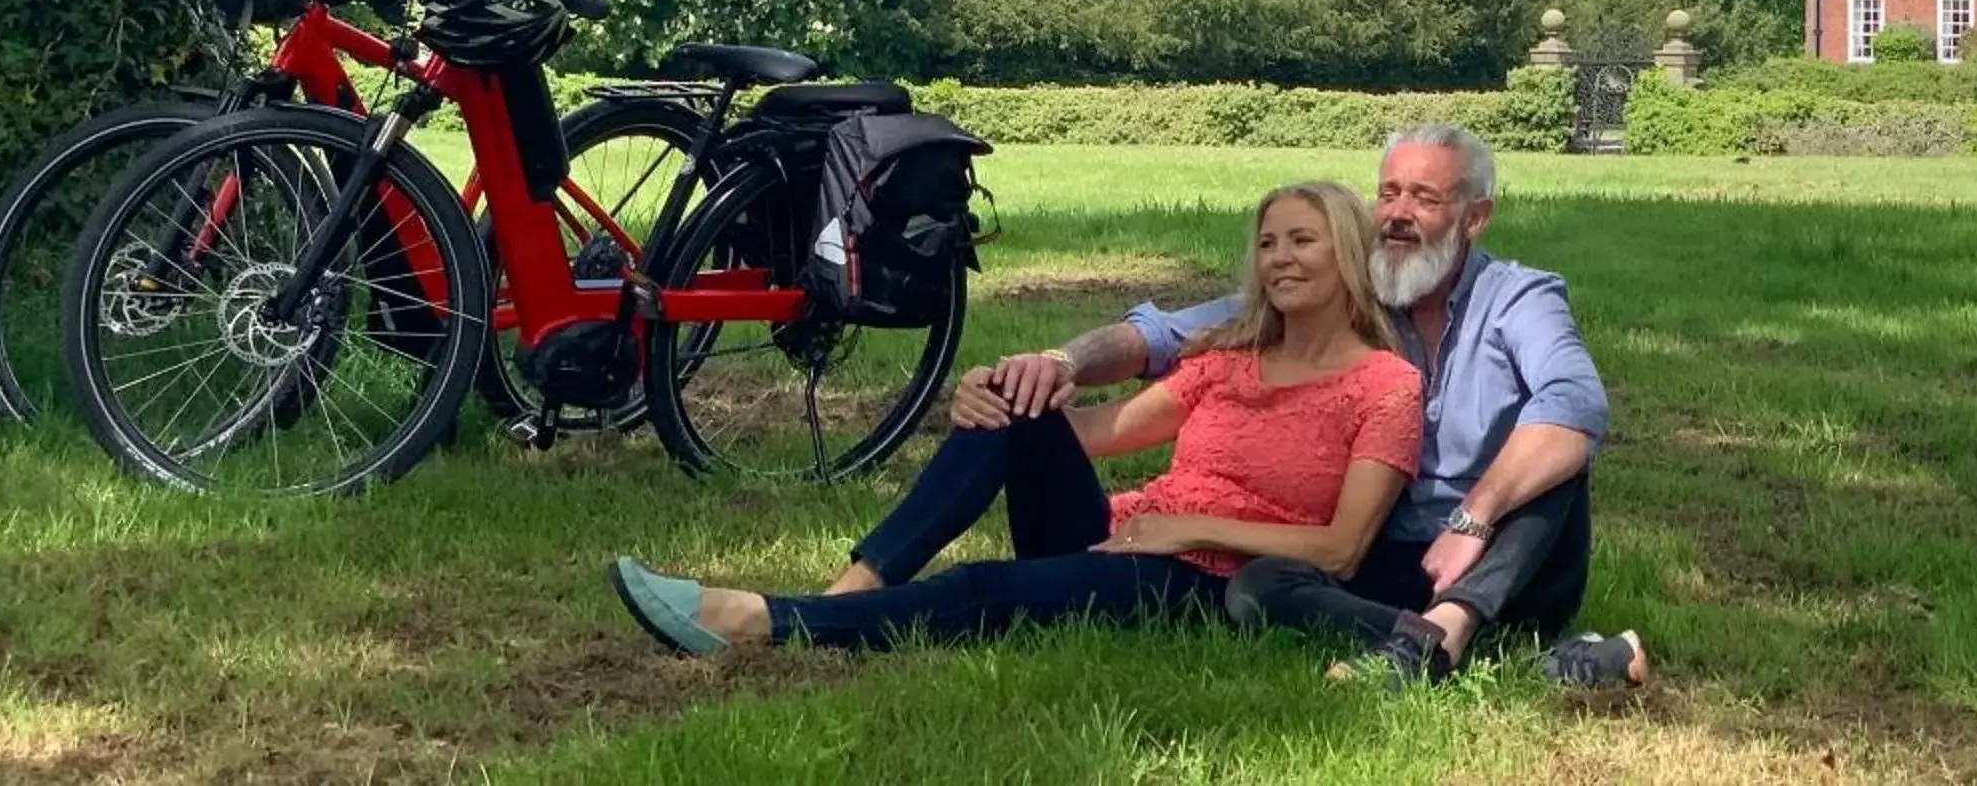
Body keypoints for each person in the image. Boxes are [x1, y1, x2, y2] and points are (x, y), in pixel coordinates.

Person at [960, 123, 1647, 691]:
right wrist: (1062, 362)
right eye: (1389, 194)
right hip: (1388, 557)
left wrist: (1476, 514)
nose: (1399, 215)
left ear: (1476, 216)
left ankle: (1451, 630)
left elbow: (1574, 400)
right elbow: (1166, 334)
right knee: (1257, 586)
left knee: (1556, 446)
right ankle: (1490, 652)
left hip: (1506, 556)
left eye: (1426, 198)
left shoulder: (1519, 299)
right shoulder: (1353, 293)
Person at [607, 180, 1421, 655]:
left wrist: (1188, 529)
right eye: (1270, 243)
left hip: (1199, 580)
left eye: (1303, 241)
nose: (1280, 259)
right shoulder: (1231, 357)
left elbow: (1341, 549)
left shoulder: (1385, 387)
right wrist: (989, 409)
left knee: (986, 587)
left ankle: (769, 620)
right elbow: (1099, 433)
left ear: (1346, 253)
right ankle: (862, 583)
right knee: (1016, 405)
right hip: (1121, 534)